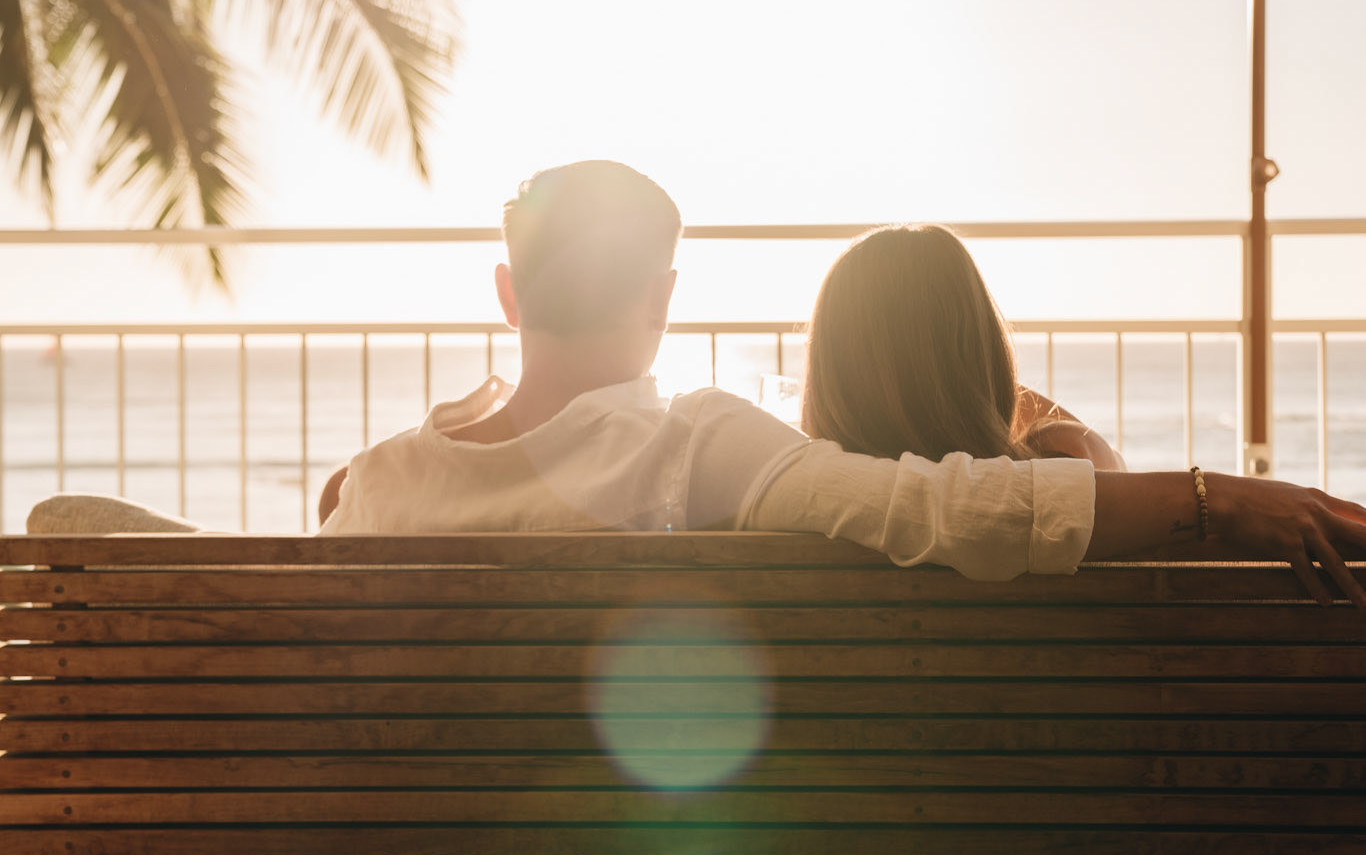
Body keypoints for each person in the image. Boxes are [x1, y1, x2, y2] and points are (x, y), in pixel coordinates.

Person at [314, 160, 1366, 604]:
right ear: (662, 298)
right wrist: (1214, 497)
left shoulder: (371, 487)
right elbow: (949, 508)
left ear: (508, 293)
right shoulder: (691, 446)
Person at [801, 222, 1126, 471]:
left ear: (828, 372)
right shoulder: (1056, 472)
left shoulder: (807, 485)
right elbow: (1113, 472)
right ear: (983, 345)